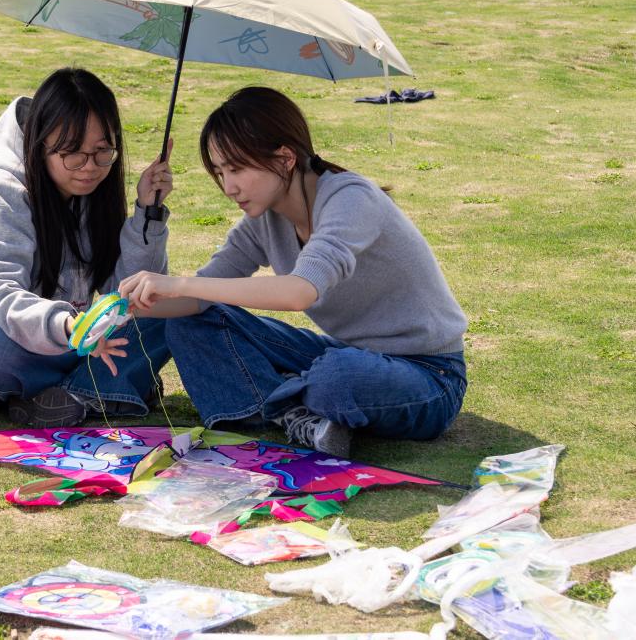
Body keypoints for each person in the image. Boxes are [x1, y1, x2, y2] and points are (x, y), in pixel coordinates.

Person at [119, 88, 467, 458]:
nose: (228, 187)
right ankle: (293, 413)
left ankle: (274, 398)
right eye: (220, 172)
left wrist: (180, 283)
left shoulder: (351, 198)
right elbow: (197, 301)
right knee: (191, 321)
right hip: (349, 354)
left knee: (336, 376)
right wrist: (124, 307)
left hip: (429, 374)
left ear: (285, 158)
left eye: (236, 169)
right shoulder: (263, 220)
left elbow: (299, 292)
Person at [0, 68, 175, 426]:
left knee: (165, 310)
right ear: (39, 143)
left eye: (102, 151)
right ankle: (104, 386)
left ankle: (71, 394)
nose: (89, 167)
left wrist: (147, 213)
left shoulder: (93, 193)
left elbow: (123, 294)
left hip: (66, 342)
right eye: (72, 153)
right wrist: (69, 326)